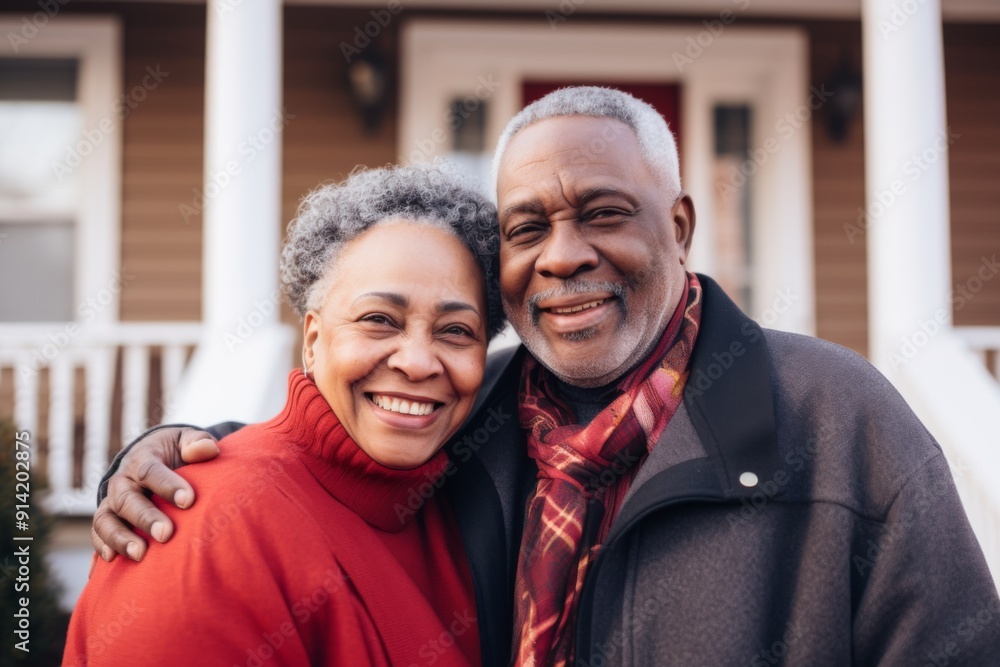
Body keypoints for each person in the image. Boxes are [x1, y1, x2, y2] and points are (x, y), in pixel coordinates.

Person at [91, 87, 1000, 666]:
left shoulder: (839, 417)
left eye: (603, 213)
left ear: (679, 227)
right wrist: (160, 456)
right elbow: (315, 472)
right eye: (526, 228)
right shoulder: (472, 420)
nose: (563, 257)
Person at [65, 163, 506, 666]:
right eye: (379, 320)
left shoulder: (469, 508)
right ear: (313, 341)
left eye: (455, 331)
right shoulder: (204, 529)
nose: (418, 361)